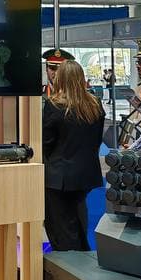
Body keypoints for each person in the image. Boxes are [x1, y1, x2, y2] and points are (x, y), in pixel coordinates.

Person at [41, 60, 104, 251]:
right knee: (78, 221)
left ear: (60, 79)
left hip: (58, 177)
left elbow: (46, 143)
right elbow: (97, 140)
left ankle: (67, 265)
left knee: (60, 228)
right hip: (85, 174)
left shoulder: (54, 105)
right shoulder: (95, 104)